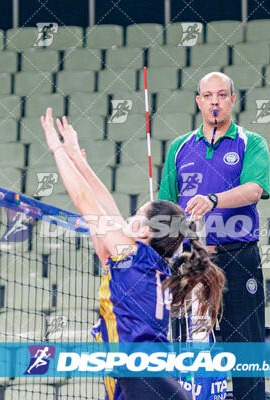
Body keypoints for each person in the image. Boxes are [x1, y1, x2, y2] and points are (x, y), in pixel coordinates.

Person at [40, 107, 226, 400]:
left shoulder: (134, 257)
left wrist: (57, 150)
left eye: (137, 214)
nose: (127, 217)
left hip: (141, 376)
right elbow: (106, 208)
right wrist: (77, 157)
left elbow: (87, 203)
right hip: (149, 375)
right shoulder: (150, 264)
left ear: (144, 232)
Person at [158, 72, 270, 400]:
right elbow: (166, 207)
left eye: (222, 95)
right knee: (187, 350)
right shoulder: (178, 148)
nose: (215, 102)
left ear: (232, 100)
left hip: (238, 256)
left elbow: (254, 189)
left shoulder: (252, 142)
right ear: (199, 102)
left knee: (245, 350)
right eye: (208, 96)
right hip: (190, 262)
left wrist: (213, 200)